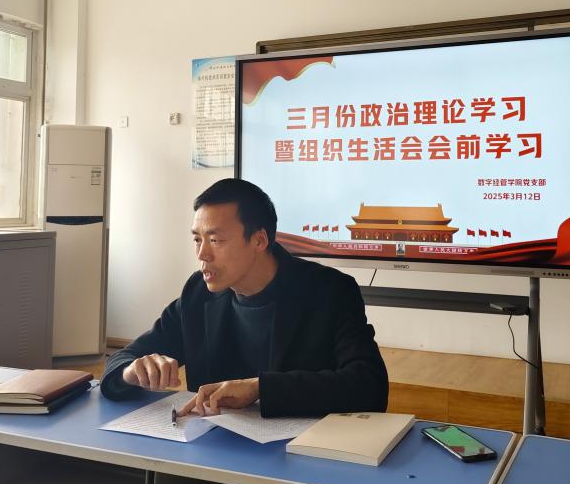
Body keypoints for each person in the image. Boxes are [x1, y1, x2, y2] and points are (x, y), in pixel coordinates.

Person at [101, 178, 389, 418]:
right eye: (197, 239)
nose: (202, 254)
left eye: (215, 240)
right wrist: (131, 371)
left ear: (259, 240)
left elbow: (369, 386)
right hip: (213, 450)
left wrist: (260, 388)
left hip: (301, 453)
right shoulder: (198, 294)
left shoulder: (329, 290)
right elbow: (121, 360)